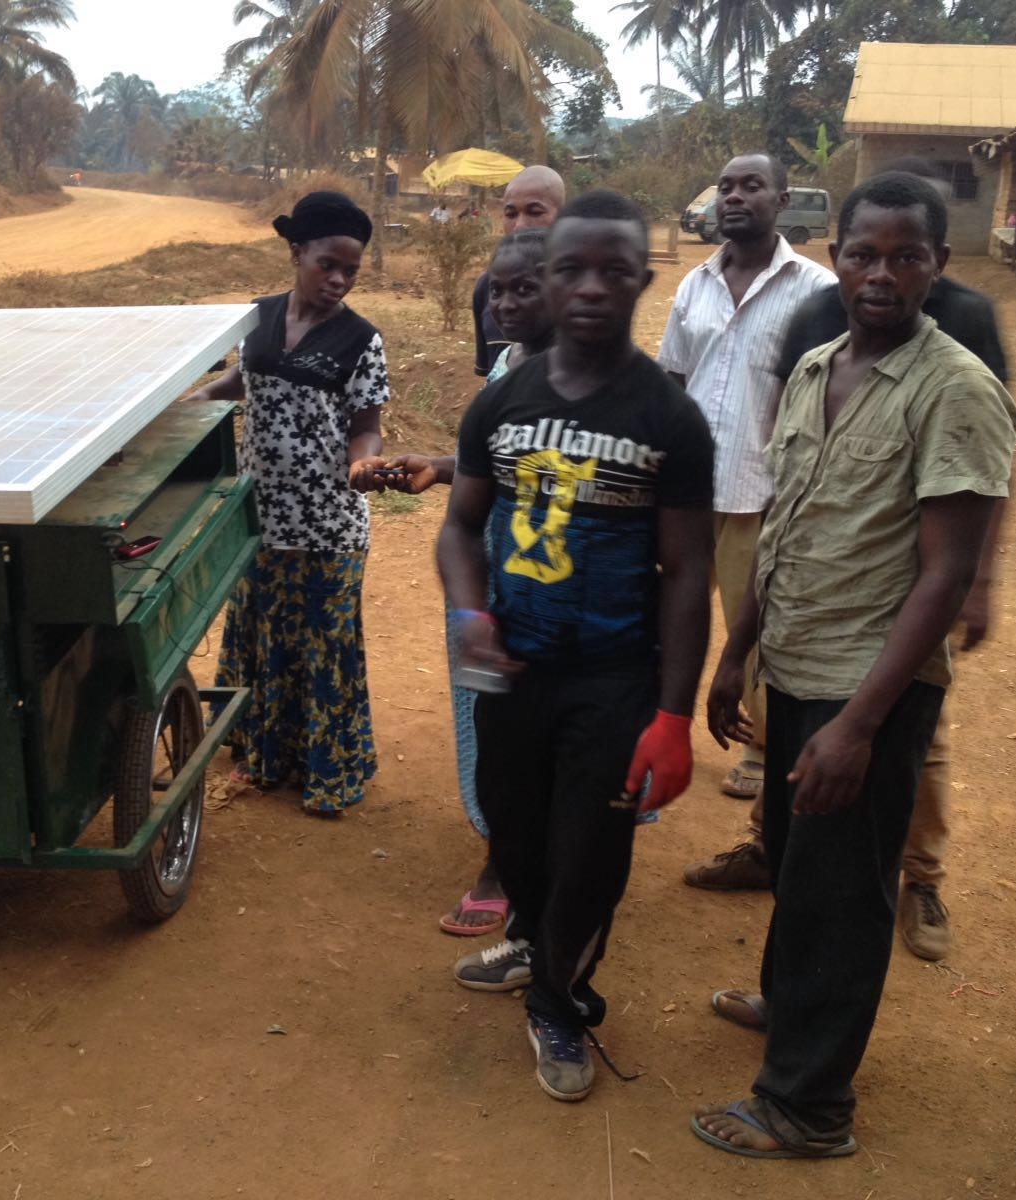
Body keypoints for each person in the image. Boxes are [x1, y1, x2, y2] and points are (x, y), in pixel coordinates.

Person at [691, 172, 1016, 1158]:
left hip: (866, 687)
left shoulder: (957, 390)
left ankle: (808, 1106)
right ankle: (792, 1009)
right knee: (798, 865)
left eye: (904, 257)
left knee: (842, 890)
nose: (880, 274)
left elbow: (946, 573)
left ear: (938, 268)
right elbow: (783, 525)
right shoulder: (813, 366)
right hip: (791, 665)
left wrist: (861, 724)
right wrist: (734, 652)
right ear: (835, 257)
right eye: (863, 254)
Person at [438, 191, 714, 1102]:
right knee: (512, 830)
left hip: (613, 676)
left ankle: (561, 999)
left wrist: (673, 715)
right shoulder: (502, 402)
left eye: (614, 272)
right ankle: (532, 938)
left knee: (591, 852)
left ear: (643, 280)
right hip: (512, 666)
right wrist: (473, 614)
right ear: (544, 279)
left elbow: (686, 575)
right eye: (572, 271)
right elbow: (459, 527)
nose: (592, 289)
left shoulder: (670, 419)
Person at [358, 230, 555, 939]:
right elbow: (496, 461)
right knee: (494, 720)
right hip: (493, 566)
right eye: (495, 291)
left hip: (548, 578)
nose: (501, 305)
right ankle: (504, 856)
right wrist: (439, 466)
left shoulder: (587, 381)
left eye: (521, 289)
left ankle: (517, 874)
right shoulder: (507, 366)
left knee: (541, 724)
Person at [184, 191, 388, 816]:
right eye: (328, 264)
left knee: (325, 649)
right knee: (266, 636)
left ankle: (330, 774)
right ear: (297, 252)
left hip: (329, 524)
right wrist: (174, 413)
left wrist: (362, 463)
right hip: (260, 518)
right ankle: (264, 757)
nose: (338, 280)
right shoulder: (258, 318)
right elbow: (236, 383)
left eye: (350, 271)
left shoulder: (361, 339)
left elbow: (367, 423)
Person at [655, 152, 836, 806]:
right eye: (725, 185)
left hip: (764, 490)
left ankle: (761, 746)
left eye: (751, 186)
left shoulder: (816, 291)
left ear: (781, 200)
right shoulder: (694, 285)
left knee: (754, 625)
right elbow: (672, 380)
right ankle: (662, 723)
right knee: (671, 613)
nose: (734, 197)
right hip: (686, 493)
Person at [472, 165, 566, 376]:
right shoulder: (486, 289)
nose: (520, 225)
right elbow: (490, 377)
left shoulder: (579, 291)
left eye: (534, 212)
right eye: (511, 214)